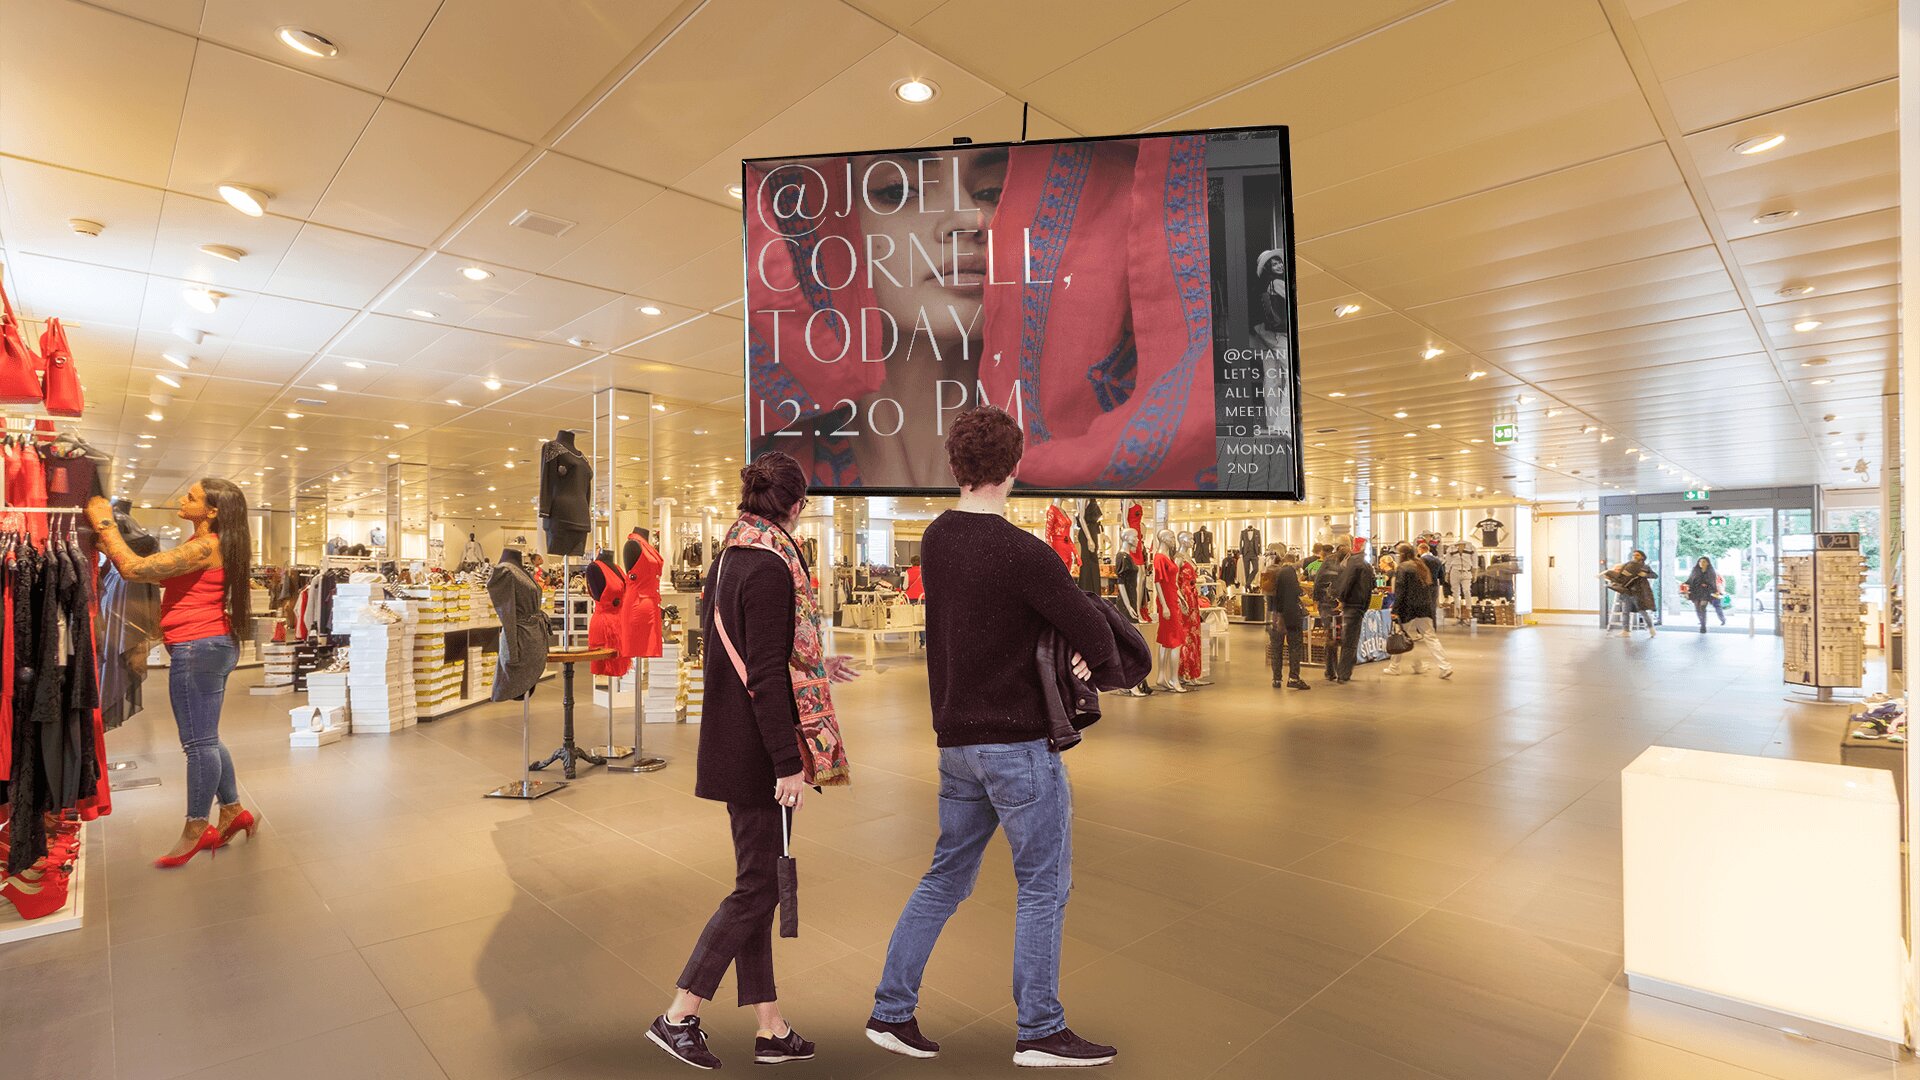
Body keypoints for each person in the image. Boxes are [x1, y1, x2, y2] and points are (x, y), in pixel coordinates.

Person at [869, 407, 1126, 1069]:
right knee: (1043, 887)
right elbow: (1098, 638)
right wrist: (1079, 656)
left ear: (956, 466)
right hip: (1017, 749)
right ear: (1015, 468)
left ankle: (891, 1012)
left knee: (943, 879)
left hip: (957, 746)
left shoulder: (935, 541)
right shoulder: (1026, 555)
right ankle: (1039, 1029)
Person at [647, 452, 859, 1071]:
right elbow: (763, 672)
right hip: (756, 753)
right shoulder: (770, 567)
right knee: (758, 886)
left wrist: (817, 667)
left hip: (735, 742)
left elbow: (759, 651)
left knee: (760, 882)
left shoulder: (731, 555)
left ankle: (770, 1026)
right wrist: (786, 764)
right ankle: (679, 1013)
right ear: (794, 508)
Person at [85, 480, 256, 868]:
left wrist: (105, 524)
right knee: (207, 738)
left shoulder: (205, 546)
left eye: (192, 497)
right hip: (208, 644)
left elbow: (135, 570)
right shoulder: (211, 546)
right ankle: (232, 811)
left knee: (198, 745)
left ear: (212, 511)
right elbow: (158, 574)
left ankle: (197, 827)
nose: (183, 499)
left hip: (199, 647)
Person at [1385, 545, 1453, 678]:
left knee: (1400, 635)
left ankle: (1394, 667)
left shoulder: (1403, 568)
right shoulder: (1421, 566)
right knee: (1429, 637)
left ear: (1402, 554)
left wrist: (1395, 609)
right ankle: (1444, 666)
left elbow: (1400, 591)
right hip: (1424, 607)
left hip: (1407, 608)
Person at [1331, 546, 1377, 683]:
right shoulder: (1366, 565)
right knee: (1351, 639)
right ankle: (1345, 671)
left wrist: (1341, 598)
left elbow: (1346, 584)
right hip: (1360, 606)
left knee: (1348, 640)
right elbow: (1373, 584)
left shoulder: (1353, 565)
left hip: (1352, 604)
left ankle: (1343, 672)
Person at [1266, 552, 1309, 690]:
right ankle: (1293, 678)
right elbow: (1295, 592)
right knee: (1294, 646)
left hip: (1274, 616)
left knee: (1276, 648)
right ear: (1292, 561)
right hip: (1289, 616)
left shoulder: (1270, 572)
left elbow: (1269, 596)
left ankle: (1276, 679)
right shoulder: (1289, 571)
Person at [1312, 549, 1344, 682]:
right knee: (1336, 637)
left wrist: (1316, 601)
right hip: (1334, 604)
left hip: (1325, 604)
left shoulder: (1325, 565)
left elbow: (1317, 583)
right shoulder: (1340, 568)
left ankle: (1331, 671)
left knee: (1331, 636)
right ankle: (1336, 670)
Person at [1612, 550, 1659, 638]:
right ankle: (1625, 631)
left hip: (1639, 592)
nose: (1635, 556)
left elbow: (1655, 575)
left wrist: (1645, 575)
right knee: (1625, 612)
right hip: (1626, 591)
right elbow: (1620, 576)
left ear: (1642, 557)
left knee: (1643, 611)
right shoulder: (1627, 565)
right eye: (1634, 555)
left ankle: (1651, 629)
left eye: (1637, 555)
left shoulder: (1645, 567)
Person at [1683, 556, 1725, 632]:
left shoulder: (1711, 572)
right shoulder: (1695, 571)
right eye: (1700, 562)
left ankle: (1703, 626)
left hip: (1706, 592)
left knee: (1702, 607)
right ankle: (1702, 621)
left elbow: (1712, 583)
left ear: (1708, 563)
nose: (1701, 563)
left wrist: (1706, 585)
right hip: (1696, 592)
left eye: (1704, 562)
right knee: (1697, 608)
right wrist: (1684, 585)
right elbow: (1690, 580)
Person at [1416, 542, 1447, 625]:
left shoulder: (1421, 560)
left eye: (1418, 550)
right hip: (1434, 586)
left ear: (1421, 550)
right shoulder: (1437, 560)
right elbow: (1441, 575)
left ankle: (1422, 628)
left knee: (1422, 607)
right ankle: (1433, 626)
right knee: (1433, 607)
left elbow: (1418, 574)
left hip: (1423, 586)